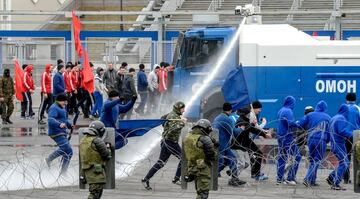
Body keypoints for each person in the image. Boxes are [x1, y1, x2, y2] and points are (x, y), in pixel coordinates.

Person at [141, 101, 186, 190]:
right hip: (170, 142)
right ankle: (176, 178)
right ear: (178, 108)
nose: (184, 110)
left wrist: (180, 120)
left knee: (160, 163)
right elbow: (171, 130)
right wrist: (182, 123)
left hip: (169, 142)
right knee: (183, 159)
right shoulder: (173, 116)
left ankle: (146, 179)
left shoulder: (174, 115)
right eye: (182, 108)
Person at [232, 106, 271, 181]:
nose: (251, 114)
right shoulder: (242, 121)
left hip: (246, 140)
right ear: (247, 114)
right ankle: (255, 175)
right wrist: (264, 134)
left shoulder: (244, 119)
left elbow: (250, 127)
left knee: (256, 155)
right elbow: (252, 129)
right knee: (255, 156)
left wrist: (253, 125)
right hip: (242, 142)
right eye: (250, 113)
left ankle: (255, 173)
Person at [297, 100, 331, 187]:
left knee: (312, 160)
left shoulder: (310, 115)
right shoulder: (328, 117)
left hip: (311, 140)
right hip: (321, 141)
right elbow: (330, 131)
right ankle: (307, 179)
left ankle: (312, 180)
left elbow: (300, 124)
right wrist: (328, 140)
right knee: (317, 160)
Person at [213, 102, 246, 186]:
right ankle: (209, 176)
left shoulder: (218, 117)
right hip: (222, 145)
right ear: (230, 110)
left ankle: (234, 179)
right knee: (221, 163)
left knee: (232, 160)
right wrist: (241, 128)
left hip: (221, 144)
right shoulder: (227, 119)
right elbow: (234, 132)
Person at [184, 119, 216, 199]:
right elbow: (211, 154)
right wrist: (214, 147)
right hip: (202, 168)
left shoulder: (188, 136)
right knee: (203, 193)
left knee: (198, 190)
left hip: (191, 166)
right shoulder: (205, 139)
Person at [79, 121, 111, 199]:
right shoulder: (97, 140)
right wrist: (108, 147)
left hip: (86, 170)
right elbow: (106, 154)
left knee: (96, 193)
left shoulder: (83, 140)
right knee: (95, 193)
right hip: (96, 171)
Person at [45, 93, 73, 175]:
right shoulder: (54, 108)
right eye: (64, 101)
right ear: (59, 101)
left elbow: (63, 119)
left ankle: (63, 172)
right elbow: (50, 119)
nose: (66, 103)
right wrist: (59, 124)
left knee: (69, 152)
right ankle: (49, 159)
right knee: (65, 148)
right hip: (56, 132)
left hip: (61, 132)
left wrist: (69, 125)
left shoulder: (61, 107)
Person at [327, 104, 353, 190]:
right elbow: (342, 131)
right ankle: (336, 183)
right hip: (339, 144)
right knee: (344, 163)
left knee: (344, 162)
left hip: (334, 143)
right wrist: (352, 135)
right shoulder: (341, 118)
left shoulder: (333, 118)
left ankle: (331, 177)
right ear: (346, 111)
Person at [276, 96, 301, 185]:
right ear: (292, 102)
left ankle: (280, 178)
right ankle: (291, 178)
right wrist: (298, 124)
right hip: (287, 137)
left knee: (282, 158)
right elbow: (290, 123)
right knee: (297, 156)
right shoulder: (288, 111)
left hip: (280, 136)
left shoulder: (281, 110)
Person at [344, 92, 360, 184]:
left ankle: (346, 178)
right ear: (355, 99)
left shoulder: (343, 109)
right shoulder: (358, 108)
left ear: (346, 99)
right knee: (358, 156)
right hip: (357, 135)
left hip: (346, 135)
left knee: (346, 157)